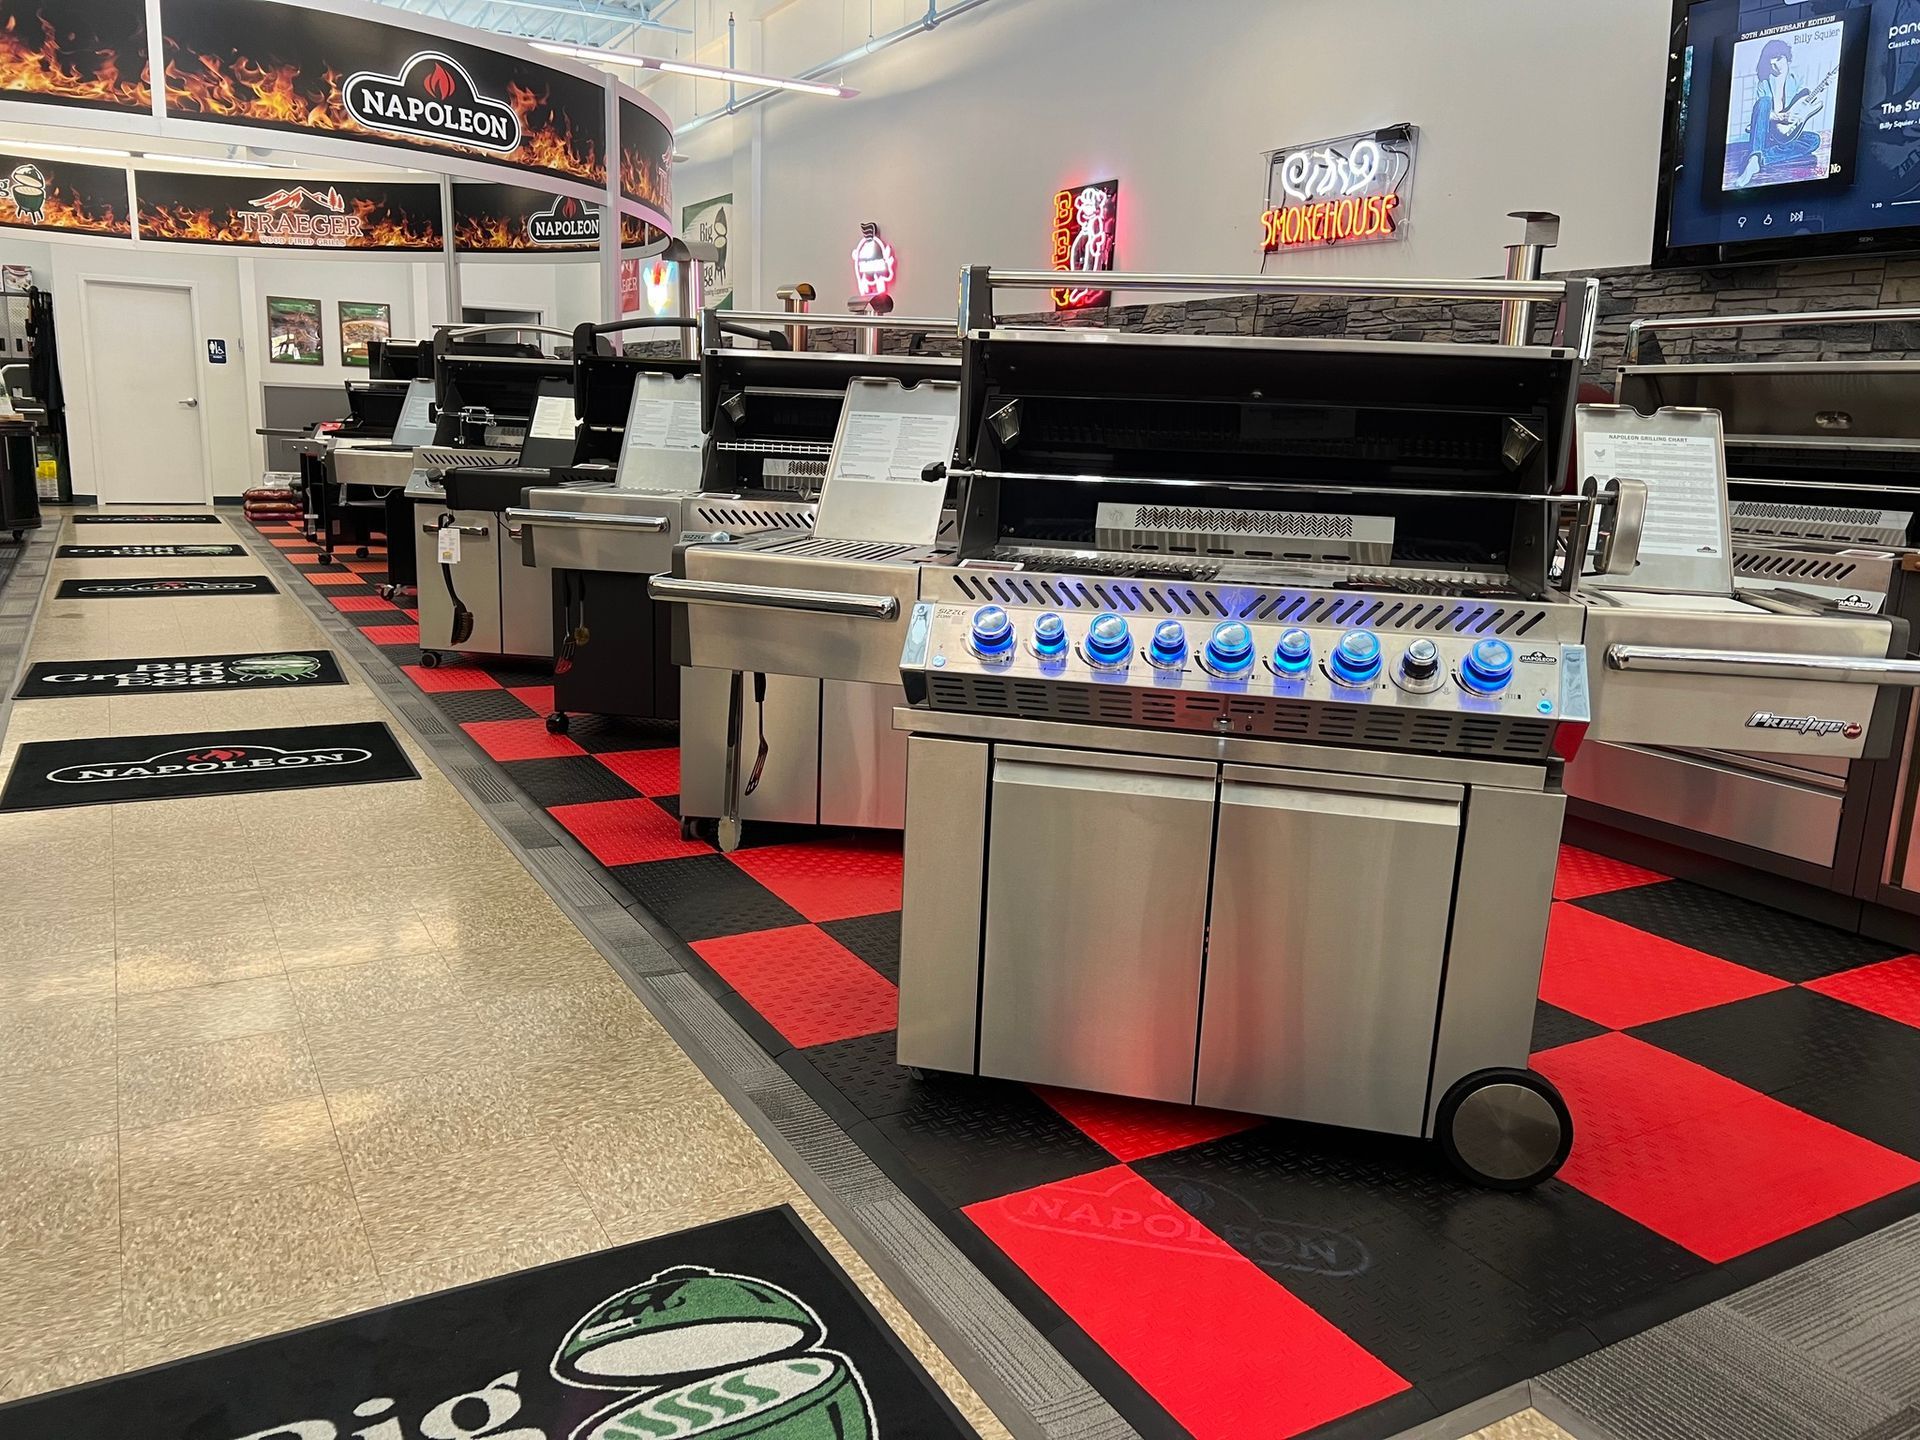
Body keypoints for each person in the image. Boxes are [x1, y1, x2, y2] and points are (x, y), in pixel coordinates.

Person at [1735, 38, 1822, 186]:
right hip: (1767, 133)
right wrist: (1778, 116)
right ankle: (1755, 157)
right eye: (1771, 63)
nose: (1775, 65)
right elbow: (1762, 113)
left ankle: (1759, 157)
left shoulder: (1797, 79)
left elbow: (1801, 105)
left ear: (1787, 57)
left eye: (1779, 59)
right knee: (1764, 101)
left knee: (1814, 140)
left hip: (1787, 133)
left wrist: (1800, 117)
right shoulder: (1764, 83)